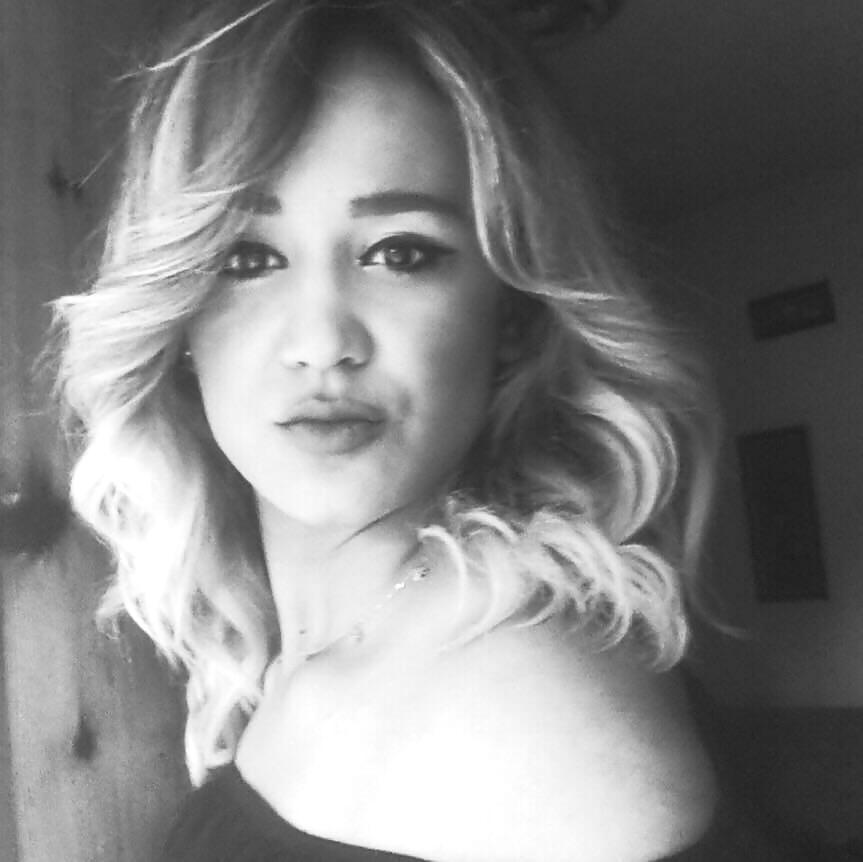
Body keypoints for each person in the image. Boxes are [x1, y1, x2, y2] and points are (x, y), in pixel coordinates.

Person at [54, 1, 725, 859]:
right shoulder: (287, 656)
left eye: (399, 252)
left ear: (510, 313)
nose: (322, 341)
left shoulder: (528, 711)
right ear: (178, 322)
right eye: (246, 259)